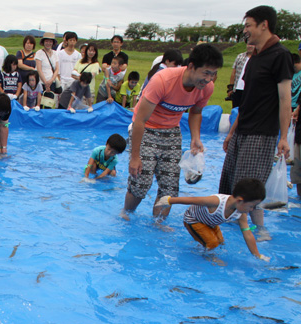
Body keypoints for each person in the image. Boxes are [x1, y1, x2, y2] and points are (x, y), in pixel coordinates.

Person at [123, 43, 223, 221]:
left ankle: (158, 223)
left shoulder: (206, 88)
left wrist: (195, 138)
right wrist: (135, 156)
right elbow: (140, 120)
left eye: (213, 74)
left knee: (170, 186)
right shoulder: (164, 80)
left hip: (172, 131)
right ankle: (127, 213)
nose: (209, 79)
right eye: (206, 73)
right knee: (141, 181)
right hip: (147, 128)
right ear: (191, 66)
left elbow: (196, 112)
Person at [219, 5, 294, 239]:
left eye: (248, 25)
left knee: (248, 184)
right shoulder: (253, 59)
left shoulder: (280, 56)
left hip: (262, 133)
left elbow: (285, 99)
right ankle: (229, 225)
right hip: (243, 130)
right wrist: (232, 132)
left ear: (264, 25)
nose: (245, 30)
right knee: (229, 182)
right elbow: (247, 101)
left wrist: (283, 136)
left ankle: (259, 229)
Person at [154, 178, 269, 261]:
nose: (252, 209)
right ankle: (208, 257)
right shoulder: (216, 202)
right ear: (239, 200)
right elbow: (193, 200)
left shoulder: (241, 213)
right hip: (193, 220)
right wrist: (169, 201)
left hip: (210, 223)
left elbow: (248, 234)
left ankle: (202, 244)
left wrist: (257, 255)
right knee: (212, 243)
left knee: (221, 242)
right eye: (251, 206)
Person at [227, 43, 255, 108]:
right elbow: (233, 72)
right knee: (236, 110)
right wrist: (231, 88)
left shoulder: (258, 58)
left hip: (250, 90)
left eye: (252, 44)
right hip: (238, 88)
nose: (250, 46)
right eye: (248, 44)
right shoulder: (240, 56)